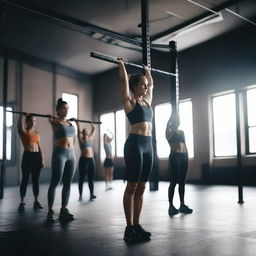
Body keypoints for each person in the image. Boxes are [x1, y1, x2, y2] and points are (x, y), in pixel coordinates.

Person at [119, 59, 154, 242]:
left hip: (148, 146)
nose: (146, 88)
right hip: (134, 145)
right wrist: (122, 66)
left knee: (141, 187)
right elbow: (124, 82)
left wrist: (147, 70)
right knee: (131, 186)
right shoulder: (130, 101)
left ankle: (137, 224)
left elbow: (153, 83)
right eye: (143, 85)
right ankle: (129, 227)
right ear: (135, 86)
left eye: (146, 85)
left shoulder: (147, 101)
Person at [47, 98, 76, 222]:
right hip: (60, 153)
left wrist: (73, 122)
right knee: (55, 181)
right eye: (64, 108)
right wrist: (51, 117)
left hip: (71, 154)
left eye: (68, 108)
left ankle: (64, 209)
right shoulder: (55, 121)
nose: (67, 110)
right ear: (58, 110)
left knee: (68, 182)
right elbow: (50, 119)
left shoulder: (70, 123)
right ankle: (50, 210)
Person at [165, 112, 193, 216]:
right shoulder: (169, 131)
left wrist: (187, 157)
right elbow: (168, 132)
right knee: (174, 181)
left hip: (184, 156)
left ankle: (182, 204)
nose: (178, 122)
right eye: (176, 120)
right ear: (172, 121)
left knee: (182, 181)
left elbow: (185, 145)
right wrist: (170, 118)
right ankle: (171, 206)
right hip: (175, 156)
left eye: (179, 120)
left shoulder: (182, 132)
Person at [17, 113, 44, 212]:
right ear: (27, 121)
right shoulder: (24, 132)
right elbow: (19, 127)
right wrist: (21, 116)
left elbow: (39, 146)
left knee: (35, 180)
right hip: (28, 156)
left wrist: (42, 159)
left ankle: (36, 202)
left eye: (34, 121)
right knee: (25, 179)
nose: (33, 122)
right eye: (31, 120)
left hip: (37, 157)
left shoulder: (37, 133)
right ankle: (22, 202)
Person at [76, 120, 96, 200]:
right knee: (81, 178)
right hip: (83, 160)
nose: (85, 132)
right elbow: (78, 132)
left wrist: (92, 123)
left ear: (88, 133)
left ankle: (92, 194)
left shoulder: (90, 139)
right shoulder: (81, 140)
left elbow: (94, 129)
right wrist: (78, 124)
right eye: (83, 131)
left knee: (91, 178)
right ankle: (80, 194)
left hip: (91, 160)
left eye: (86, 131)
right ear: (82, 132)